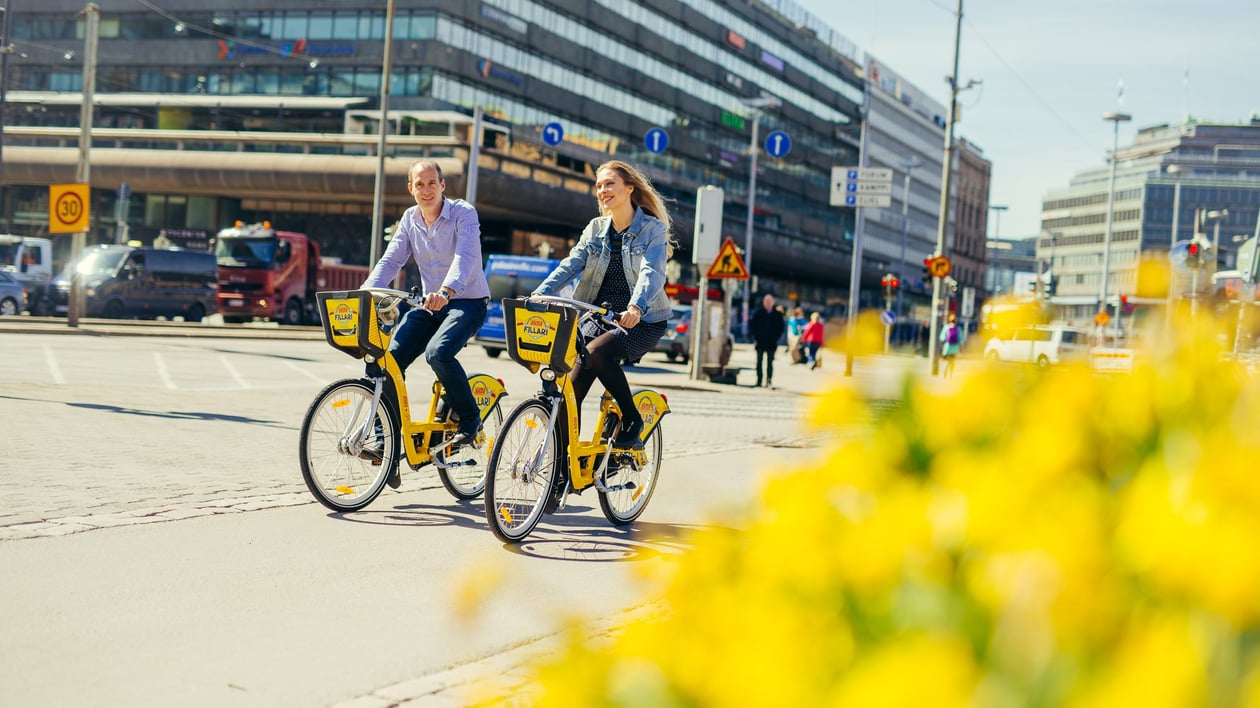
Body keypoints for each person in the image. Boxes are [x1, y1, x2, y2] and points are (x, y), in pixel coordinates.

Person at [532, 160, 674, 450]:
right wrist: (540, 293)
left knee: (597, 353)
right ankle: (562, 473)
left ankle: (633, 419)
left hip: (642, 320)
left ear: (629, 188)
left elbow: (652, 272)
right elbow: (570, 265)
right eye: (599, 185)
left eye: (609, 183)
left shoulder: (652, 230)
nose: (603, 190)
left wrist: (636, 307)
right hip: (598, 316)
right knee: (567, 393)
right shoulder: (596, 229)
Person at [361, 158, 491, 450]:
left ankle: (471, 419)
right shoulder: (410, 219)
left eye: (432, 182)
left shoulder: (463, 213)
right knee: (387, 361)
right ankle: (387, 441)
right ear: (411, 188)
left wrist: (446, 290)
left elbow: (466, 258)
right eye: (419, 184)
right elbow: (392, 259)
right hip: (429, 304)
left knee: (438, 353)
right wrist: (365, 292)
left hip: (466, 301)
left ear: (442, 185)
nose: (426, 189)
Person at [749, 293, 786, 387]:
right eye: (766, 301)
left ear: (773, 302)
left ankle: (769, 380)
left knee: (770, 362)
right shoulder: (759, 313)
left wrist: (776, 337)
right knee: (759, 362)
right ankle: (759, 380)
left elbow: (781, 328)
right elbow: (753, 326)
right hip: (760, 341)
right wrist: (755, 337)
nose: (768, 303)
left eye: (770, 301)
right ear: (763, 302)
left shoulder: (777, 314)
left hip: (771, 342)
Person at [939, 312, 964, 378]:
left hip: (947, 347)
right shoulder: (958, 328)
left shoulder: (946, 327)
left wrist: (943, 344)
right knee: (952, 361)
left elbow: (942, 338)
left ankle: (945, 371)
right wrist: (961, 348)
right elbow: (961, 339)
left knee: (947, 361)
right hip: (955, 347)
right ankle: (951, 374)